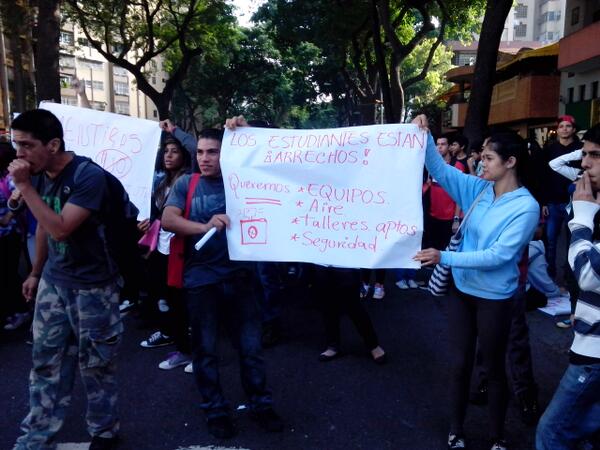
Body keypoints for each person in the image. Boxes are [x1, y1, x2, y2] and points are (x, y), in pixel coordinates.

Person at [413, 115, 539, 450]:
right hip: (461, 292)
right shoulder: (478, 189)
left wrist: (445, 257)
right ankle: (456, 430)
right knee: (459, 364)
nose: (478, 161)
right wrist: (424, 133)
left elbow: (499, 256)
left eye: (487, 158)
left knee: (494, 368)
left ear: (510, 162)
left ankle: (497, 436)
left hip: (495, 298)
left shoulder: (526, 207)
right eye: (480, 156)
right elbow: (440, 170)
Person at [8, 109, 122, 450]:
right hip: (54, 283)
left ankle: (104, 432)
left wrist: (24, 187)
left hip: (94, 287)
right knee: (45, 363)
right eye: (16, 145)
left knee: (97, 365)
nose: (19, 155)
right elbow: (43, 224)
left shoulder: (88, 177)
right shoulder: (40, 173)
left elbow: (60, 228)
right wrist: (36, 272)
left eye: (27, 145)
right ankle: (36, 437)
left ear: (53, 144)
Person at [161, 127, 283, 439]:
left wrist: (242, 129)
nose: (204, 158)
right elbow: (169, 219)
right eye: (200, 152)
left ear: (226, 153)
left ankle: (261, 405)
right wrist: (204, 227)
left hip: (243, 280)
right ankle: (215, 410)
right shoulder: (187, 184)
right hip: (202, 282)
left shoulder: (243, 183)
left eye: (212, 152)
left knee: (251, 349)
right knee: (205, 352)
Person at [536, 124, 600, 449]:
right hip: (589, 336)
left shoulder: (589, 210)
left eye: (595, 155)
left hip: (594, 354)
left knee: (551, 433)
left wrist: (582, 217)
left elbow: (588, 275)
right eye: (584, 155)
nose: (585, 164)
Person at [138, 137, 193, 372]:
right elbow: (160, 213)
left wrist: (176, 131)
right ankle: (175, 336)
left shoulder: (190, 181)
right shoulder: (161, 182)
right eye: (166, 152)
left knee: (182, 299)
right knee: (164, 295)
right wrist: (149, 222)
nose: (168, 156)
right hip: (161, 246)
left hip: (180, 248)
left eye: (174, 151)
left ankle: (191, 349)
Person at [538, 115, 581, 279]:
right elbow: (543, 177)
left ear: (574, 129)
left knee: (573, 241)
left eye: (568, 126)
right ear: (557, 129)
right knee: (550, 241)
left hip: (575, 201)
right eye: (561, 126)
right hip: (553, 202)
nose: (564, 129)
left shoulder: (581, 149)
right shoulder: (549, 150)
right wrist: (543, 202)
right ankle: (550, 276)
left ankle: (570, 277)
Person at [0, 142, 30, 331]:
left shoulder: (11, 179)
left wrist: (8, 217)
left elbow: (24, 196)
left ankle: (19, 311)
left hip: (8, 234)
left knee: (7, 274)